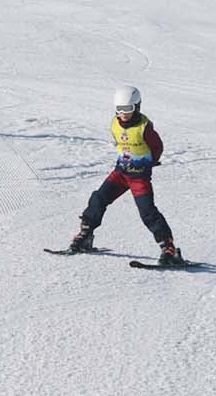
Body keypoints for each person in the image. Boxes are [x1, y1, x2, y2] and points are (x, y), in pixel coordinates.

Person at [67, 86, 182, 264]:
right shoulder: (115, 123)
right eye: (119, 110)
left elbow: (157, 147)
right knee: (98, 198)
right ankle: (85, 235)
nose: (123, 114)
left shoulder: (144, 128)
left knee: (148, 212)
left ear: (137, 106)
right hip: (121, 173)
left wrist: (149, 161)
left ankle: (169, 249)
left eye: (127, 109)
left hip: (139, 178)